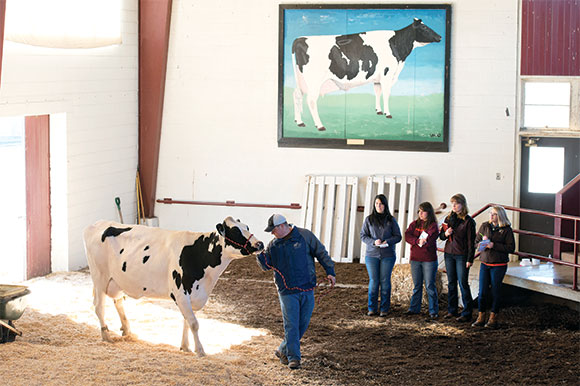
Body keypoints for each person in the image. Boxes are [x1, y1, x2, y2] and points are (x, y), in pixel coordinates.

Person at [256, 214, 336, 370]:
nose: (272, 234)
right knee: (292, 325)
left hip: (307, 287)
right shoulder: (273, 246)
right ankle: (294, 358)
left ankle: (282, 349)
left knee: (303, 324)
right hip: (286, 291)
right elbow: (266, 266)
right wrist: (258, 254)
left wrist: (330, 271)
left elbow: (321, 252)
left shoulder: (305, 235)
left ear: (282, 226)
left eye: (273, 230)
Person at [472, 205, 515, 329]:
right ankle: (481, 316)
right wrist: (481, 244)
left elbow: (511, 248)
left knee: (496, 291)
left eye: (494, 214)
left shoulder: (506, 230)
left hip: (499, 264)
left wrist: (493, 245)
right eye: (491, 213)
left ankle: (493, 317)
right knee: (482, 292)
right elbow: (476, 242)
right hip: (485, 263)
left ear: (500, 216)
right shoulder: (485, 226)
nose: (491, 216)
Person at [360, 194, 402, 317]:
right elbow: (363, 235)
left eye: (381, 203)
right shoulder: (369, 220)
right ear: (374, 204)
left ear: (385, 205)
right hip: (371, 255)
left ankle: (384, 308)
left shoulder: (391, 220)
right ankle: (372, 308)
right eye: (377, 203)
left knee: (385, 281)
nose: (379, 206)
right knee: (374, 281)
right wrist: (373, 242)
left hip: (387, 255)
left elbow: (398, 236)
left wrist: (387, 241)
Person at [439, 193, 476, 322]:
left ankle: (467, 312)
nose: (454, 206)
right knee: (451, 282)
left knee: (463, 283)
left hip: (462, 254)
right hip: (449, 253)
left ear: (462, 205)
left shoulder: (468, 221)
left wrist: (470, 258)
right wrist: (445, 233)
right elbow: (441, 236)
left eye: (456, 203)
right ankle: (452, 310)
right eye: (452, 203)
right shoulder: (448, 218)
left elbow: (471, 241)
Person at [404, 202, 440, 320]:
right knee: (417, 285)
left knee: (430, 285)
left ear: (428, 213)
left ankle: (433, 310)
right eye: (419, 211)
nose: (420, 213)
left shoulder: (433, 226)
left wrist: (421, 241)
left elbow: (429, 237)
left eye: (423, 211)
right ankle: (414, 308)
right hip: (415, 258)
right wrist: (416, 241)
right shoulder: (414, 224)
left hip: (428, 259)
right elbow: (407, 235)